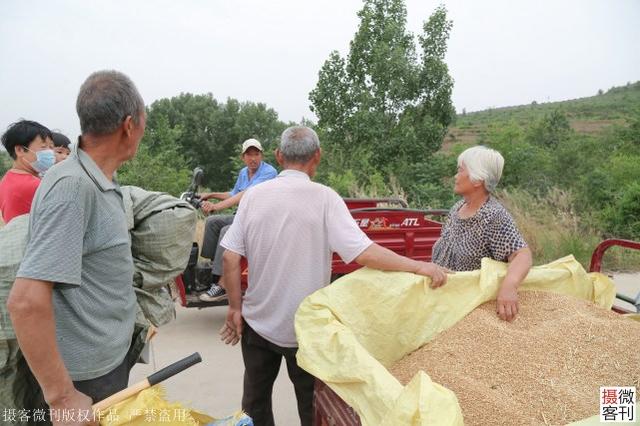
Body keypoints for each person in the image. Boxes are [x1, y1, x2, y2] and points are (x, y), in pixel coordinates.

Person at [219, 126, 450, 426]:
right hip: (306, 330)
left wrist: (235, 308)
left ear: (277, 156)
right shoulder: (325, 198)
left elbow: (229, 256)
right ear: (317, 157)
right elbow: (363, 252)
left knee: (254, 404)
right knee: (311, 406)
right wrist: (420, 266)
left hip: (257, 325)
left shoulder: (253, 197)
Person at [7, 69, 146, 425]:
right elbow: (25, 302)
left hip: (107, 363)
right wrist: (63, 396)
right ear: (129, 126)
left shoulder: (100, 181)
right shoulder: (72, 188)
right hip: (86, 380)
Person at [431, 145, 532, 322]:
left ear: (477, 180)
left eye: (460, 170)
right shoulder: (457, 209)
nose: (455, 176)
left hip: (469, 311)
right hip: (443, 302)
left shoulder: (493, 216)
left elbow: (522, 254)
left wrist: (509, 287)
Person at [198, 138, 277, 302]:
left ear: (261, 155)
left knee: (228, 231)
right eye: (249, 155)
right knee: (213, 223)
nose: (253, 158)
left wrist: (216, 206)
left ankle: (223, 285)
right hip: (243, 217)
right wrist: (210, 195)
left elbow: (246, 194)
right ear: (243, 157)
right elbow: (234, 194)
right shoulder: (243, 172)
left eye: (256, 154)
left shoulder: (269, 172)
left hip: (259, 220)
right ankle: (211, 270)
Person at [0, 120, 54, 223]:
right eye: (43, 147)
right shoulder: (33, 185)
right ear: (20, 150)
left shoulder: (7, 179)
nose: (50, 152)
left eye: (51, 147)